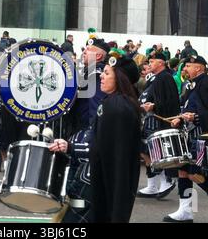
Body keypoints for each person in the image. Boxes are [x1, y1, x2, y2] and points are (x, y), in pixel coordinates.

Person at [50, 50, 141, 222]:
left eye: (107, 73)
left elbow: (104, 149)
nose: (102, 76)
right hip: (101, 178)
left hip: (97, 181)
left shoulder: (116, 106)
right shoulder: (120, 102)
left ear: (120, 79)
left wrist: (70, 147)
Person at [164, 55, 208, 223]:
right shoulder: (192, 84)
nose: (185, 68)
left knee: (194, 173)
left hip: (203, 136)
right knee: (183, 170)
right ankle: (185, 210)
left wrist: (195, 118)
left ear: (198, 67)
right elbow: (191, 107)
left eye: (189, 65)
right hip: (190, 135)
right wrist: (181, 118)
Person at [137, 51, 179, 199]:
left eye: (153, 62)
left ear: (161, 63)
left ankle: (166, 180)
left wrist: (153, 106)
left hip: (159, 121)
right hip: (151, 119)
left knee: (156, 152)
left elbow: (170, 102)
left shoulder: (166, 78)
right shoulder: (156, 78)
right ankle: (152, 184)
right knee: (144, 150)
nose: (150, 64)